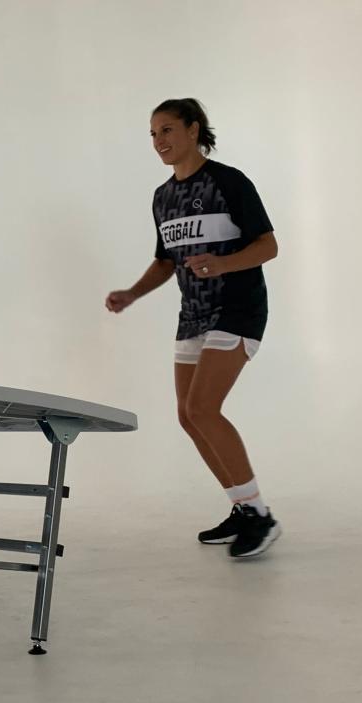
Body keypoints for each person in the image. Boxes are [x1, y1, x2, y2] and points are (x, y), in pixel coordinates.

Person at [106, 98, 281, 558]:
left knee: (204, 408)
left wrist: (222, 263)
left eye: (166, 130)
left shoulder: (228, 182)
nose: (159, 141)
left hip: (238, 307)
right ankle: (242, 508)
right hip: (193, 315)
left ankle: (261, 516)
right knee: (187, 415)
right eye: (152, 134)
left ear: (192, 129)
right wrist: (131, 293)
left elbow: (268, 246)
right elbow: (166, 261)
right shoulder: (163, 197)